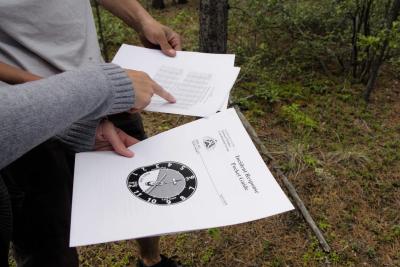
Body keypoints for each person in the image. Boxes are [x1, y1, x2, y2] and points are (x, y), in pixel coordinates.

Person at [0, 0, 182, 266]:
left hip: (108, 90)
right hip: (30, 115)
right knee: (50, 245)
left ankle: (151, 260)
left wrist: (143, 20)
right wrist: (80, 93)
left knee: (146, 193)